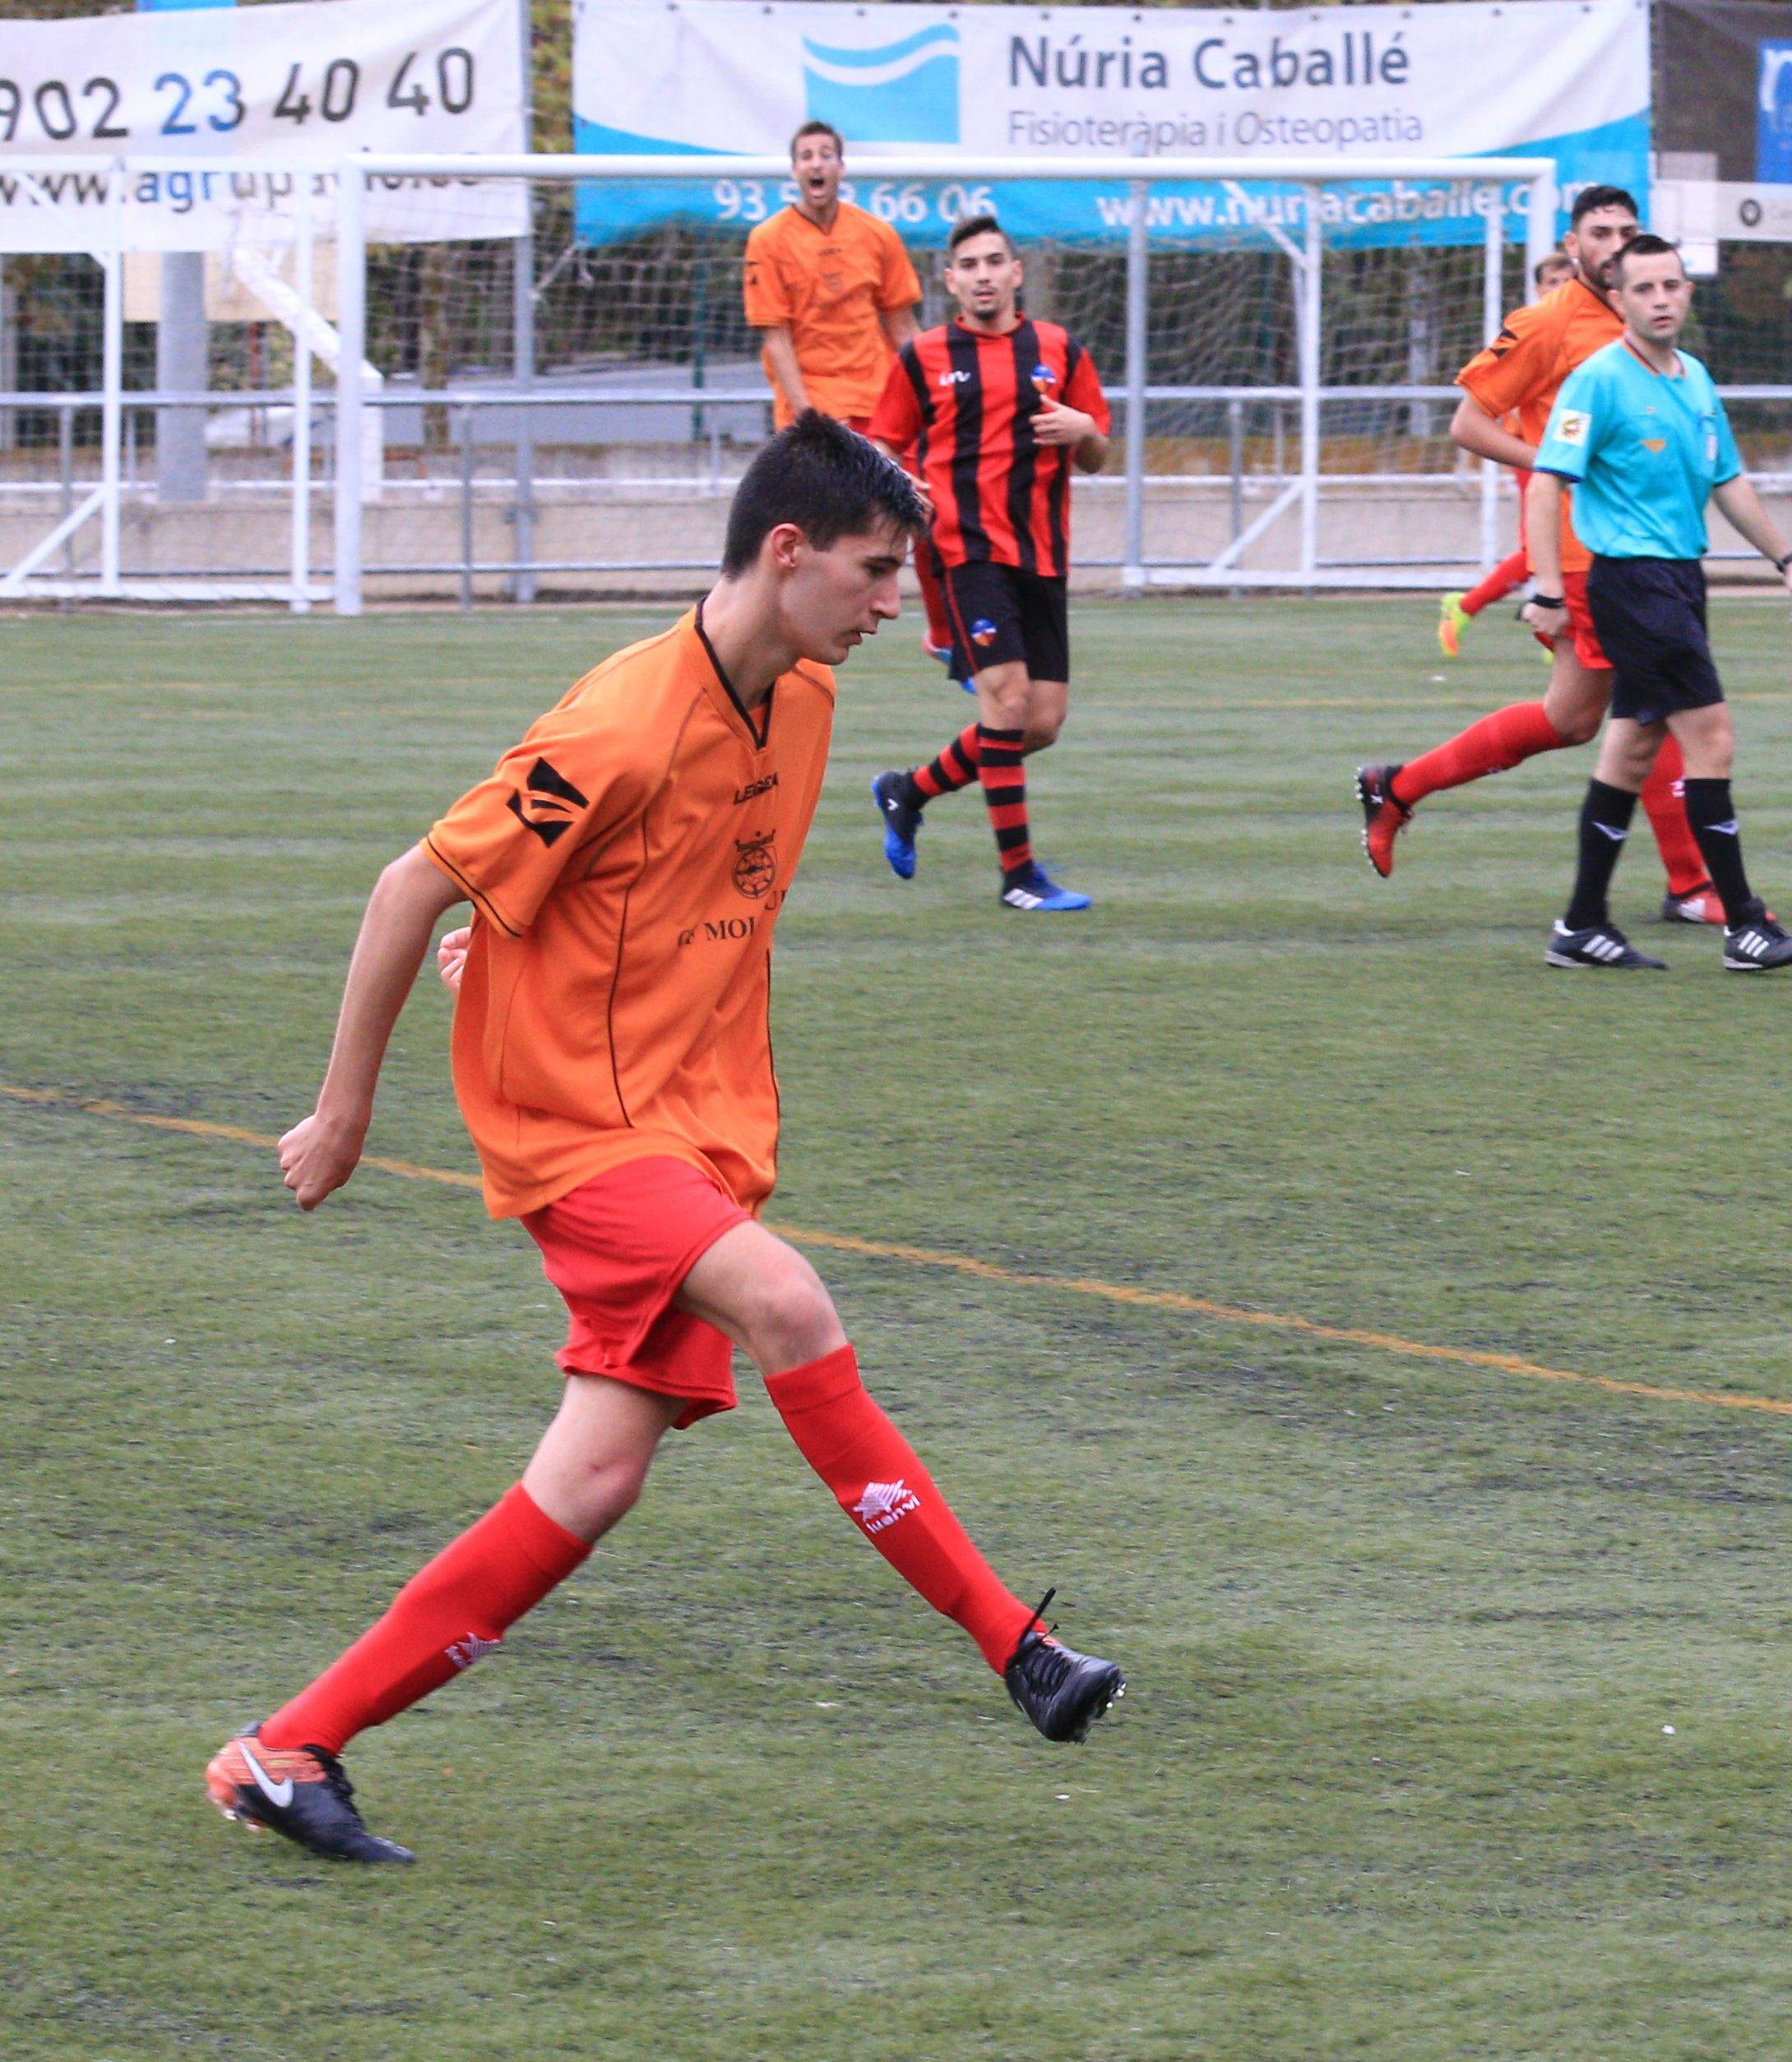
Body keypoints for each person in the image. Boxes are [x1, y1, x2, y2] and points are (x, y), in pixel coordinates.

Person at [210, 417, 1123, 1865]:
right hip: (573, 1134)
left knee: (593, 1478)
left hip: (691, 1135)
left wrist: (529, 968)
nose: (898, 602)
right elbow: (410, 889)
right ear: (785, 552)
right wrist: (344, 1115)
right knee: (789, 1302)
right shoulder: (620, 719)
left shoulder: (804, 699)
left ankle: (286, 1747)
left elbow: (651, 902)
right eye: (877, 571)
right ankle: (1016, 1642)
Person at [1358, 187, 1725, 929]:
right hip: (1587, 554)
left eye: (1627, 230)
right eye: (1600, 232)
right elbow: (1468, 423)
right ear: (1573, 242)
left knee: (1575, 719)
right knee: (1651, 704)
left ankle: (1397, 785)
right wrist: (1558, 463)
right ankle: (1689, 886)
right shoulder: (1550, 323)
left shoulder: (1637, 318)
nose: (1615, 242)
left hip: (1638, 549)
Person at [1524, 234, 1792, 975]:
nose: (1661, 299)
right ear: (1619, 300)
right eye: (1645, 288)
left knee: (1629, 752)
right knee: (1711, 739)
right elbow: (1544, 482)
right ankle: (1745, 926)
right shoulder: (1596, 379)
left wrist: (1787, 561)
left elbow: (1729, 480)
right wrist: (1546, 590)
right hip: (1631, 583)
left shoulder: (1694, 377)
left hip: (1680, 581)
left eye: (1673, 285)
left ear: (1688, 293)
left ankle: (1582, 924)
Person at [863, 215, 1113, 915]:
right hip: (963, 550)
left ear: (1015, 273)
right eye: (967, 265)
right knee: (1005, 702)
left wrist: (1083, 429)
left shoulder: (1059, 349)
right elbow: (884, 444)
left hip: (1042, 553)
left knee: (1039, 723)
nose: (980, 275)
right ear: (950, 281)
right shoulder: (925, 355)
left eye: (992, 262)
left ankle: (907, 791)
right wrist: (901, 495)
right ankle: (1019, 876)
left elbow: (1097, 451)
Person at [1436, 251, 1582, 658]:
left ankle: (1558, 628)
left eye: (1567, 282)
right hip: (1532, 454)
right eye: (1552, 282)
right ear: (1538, 289)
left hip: (1571, 458)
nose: (1560, 289)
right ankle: (1469, 607)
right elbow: (1496, 400)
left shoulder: (1582, 330)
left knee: (1566, 545)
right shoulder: (1534, 330)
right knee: (1541, 549)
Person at [742, 122, 924, 430]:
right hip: (812, 409)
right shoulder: (767, 241)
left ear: (840, 168)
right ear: (795, 170)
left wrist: (933, 390)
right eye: (806, 156)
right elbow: (777, 340)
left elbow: (902, 324)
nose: (816, 163)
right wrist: (806, 417)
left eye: (826, 155)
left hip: (877, 401)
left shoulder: (877, 234)